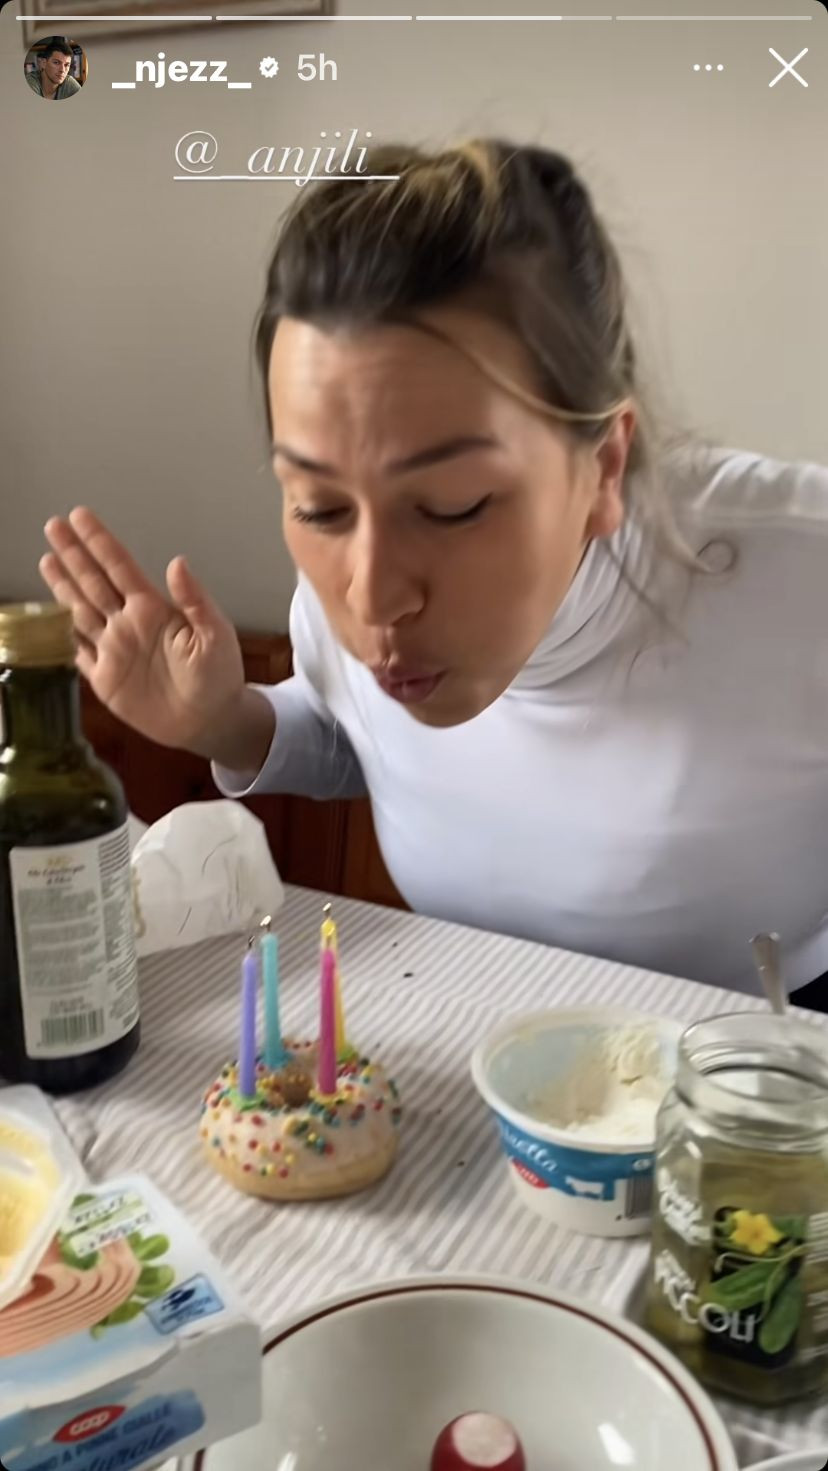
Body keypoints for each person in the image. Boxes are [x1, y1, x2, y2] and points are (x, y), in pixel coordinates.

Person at [39, 137, 828, 1003]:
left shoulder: (799, 571)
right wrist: (222, 720)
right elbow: (357, 736)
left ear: (603, 465)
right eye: (319, 506)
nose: (372, 595)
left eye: (453, 504)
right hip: (476, 1026)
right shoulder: (353, 580)